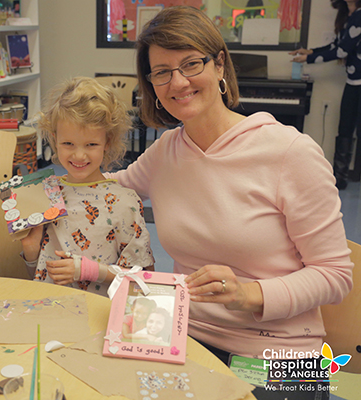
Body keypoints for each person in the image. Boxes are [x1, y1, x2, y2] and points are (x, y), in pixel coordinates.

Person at [108, 6, 353, 399]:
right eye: (162, 72)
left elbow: (335, 274)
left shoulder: (290, 151)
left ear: (220, 66)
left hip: (282, 355)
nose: (179, 82)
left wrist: (248, 294)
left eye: (191, 64)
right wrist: (49, 187)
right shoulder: (165, 152)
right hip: (187, 336)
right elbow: (108, 191)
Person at [20, 77, 155, 295]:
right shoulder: (45, 194)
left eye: (91, 144)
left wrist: (90, 271)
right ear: (54, 140)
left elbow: (143, 280)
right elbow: (37, 277)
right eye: (68, 144)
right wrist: (31, 252)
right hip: (49, 310)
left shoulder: (125, 202)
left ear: (107, 143)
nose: (79, 155)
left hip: (101, 314)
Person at [290, 0, 361, 190]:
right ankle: (340, 178)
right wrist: (311, 51)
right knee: (344, 128)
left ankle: (344, 177)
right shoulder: (350, 16)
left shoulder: (359, 16)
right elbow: (336, 45)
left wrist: (309, 58)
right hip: (352, 82)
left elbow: (341, 51)